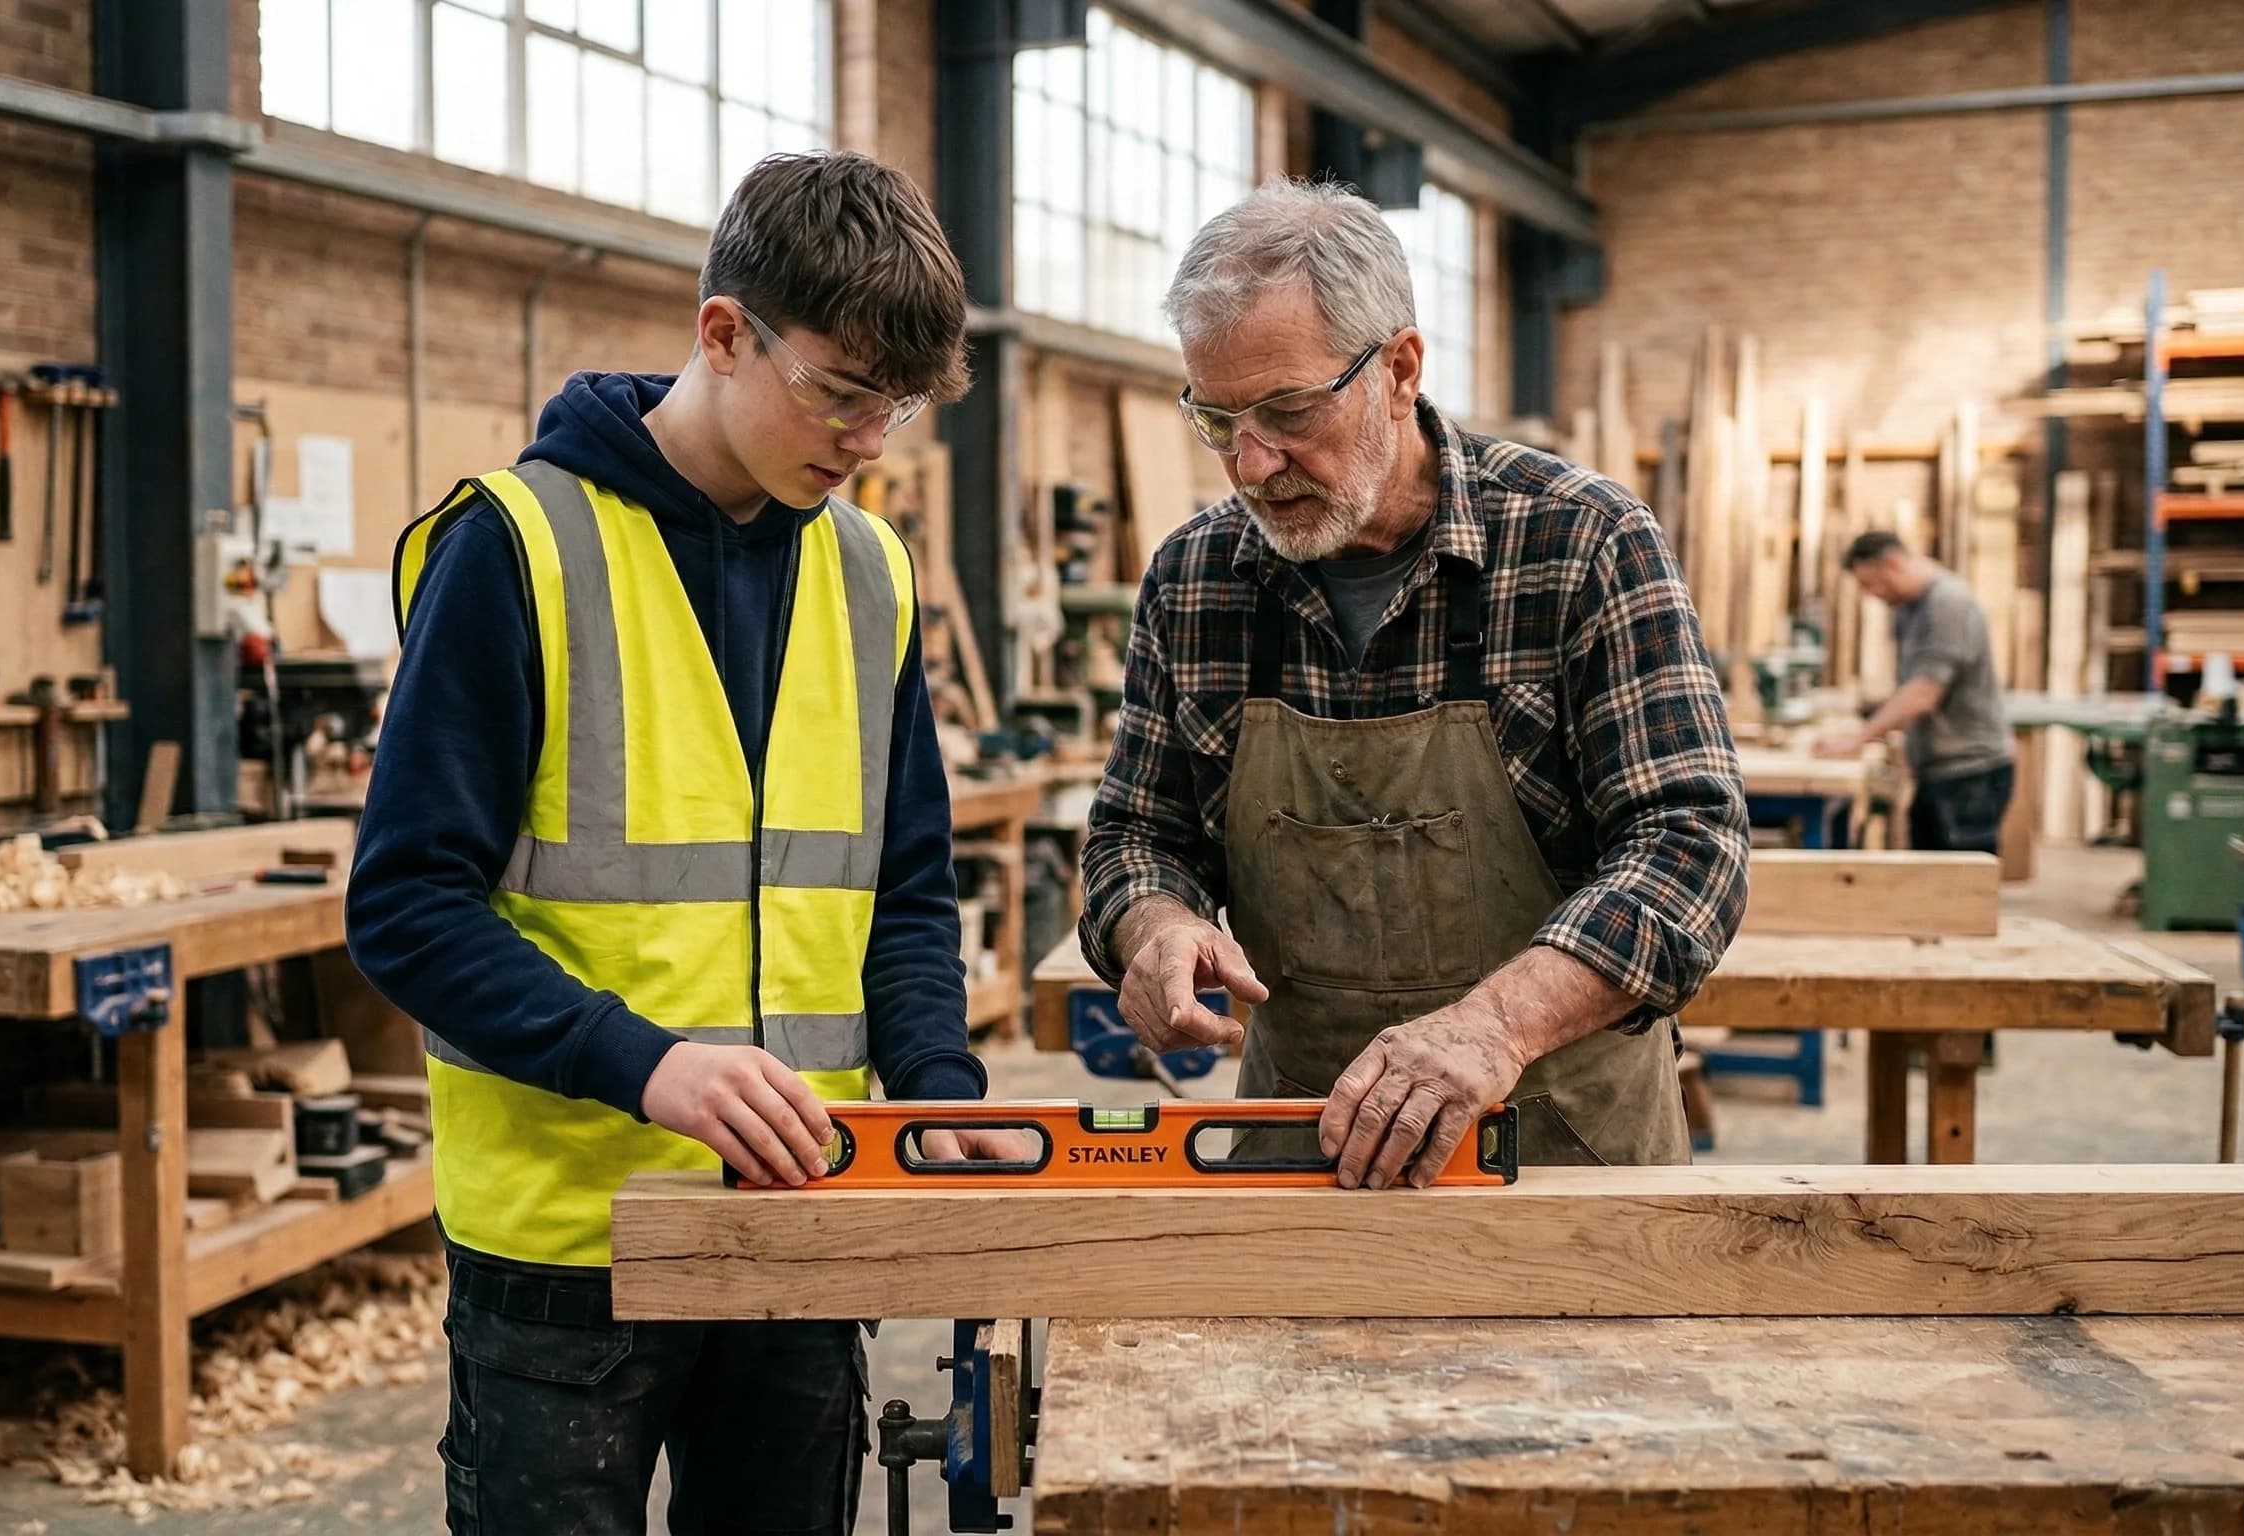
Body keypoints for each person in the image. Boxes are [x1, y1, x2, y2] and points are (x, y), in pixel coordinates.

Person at [347, 150, 1019, 1536]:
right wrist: (643, 1065)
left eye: (894, 408)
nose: (866, 441)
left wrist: (937, 1082)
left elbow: (901, 889)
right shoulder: (518, 546)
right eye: (840, 393)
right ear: (725, 335)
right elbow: (407, 905)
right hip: (565, 1251)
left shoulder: (869, 572)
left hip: (798, 1217)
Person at [1078, 180, 1749, 1188]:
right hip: (1297, 1155)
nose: (1254, 464)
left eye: (1287, 410)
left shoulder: (1579, 543)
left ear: (1398, 366)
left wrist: (1491, 1027)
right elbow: (1135, 833)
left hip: (1557, 1157)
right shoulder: (1197, 577)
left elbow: (1689, 850)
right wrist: (1156, 924)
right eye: (1215, 422)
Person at [1820, 530, 2016, 853]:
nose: (1874, 595)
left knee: (1960, 890)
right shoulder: (1910, 609)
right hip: (1939, 770)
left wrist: (1856, 739)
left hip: (1969, 774)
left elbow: (1923, 694)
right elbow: (1910, 687)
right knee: (1931, 887)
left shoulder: (1947, 604)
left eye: (1873, 584)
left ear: (1895, 563)